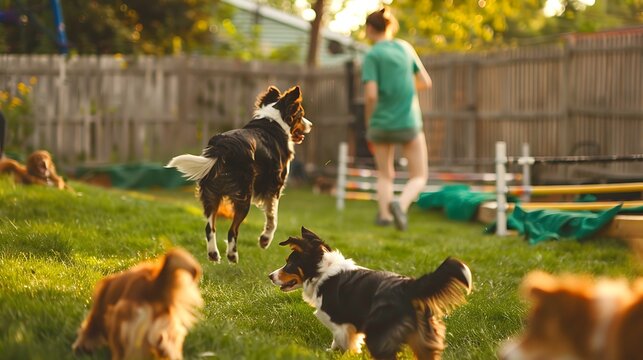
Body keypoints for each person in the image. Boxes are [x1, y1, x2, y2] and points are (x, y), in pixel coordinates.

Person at [362, 7, 431, 231]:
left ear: (370, 29)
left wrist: (369, 122)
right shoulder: (405, 48)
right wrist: (403, 87)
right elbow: (425, 82)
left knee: (385, 174)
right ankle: (400, 205)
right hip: (408, 122)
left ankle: (384, 216)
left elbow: (371, 95)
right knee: (419, 175)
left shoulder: (372, 55)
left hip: (381, 123)